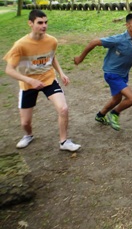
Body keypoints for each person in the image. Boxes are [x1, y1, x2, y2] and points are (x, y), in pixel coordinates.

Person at [3, 10, 81, 151]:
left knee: (63, 109)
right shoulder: (20, 45)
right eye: (40, 23)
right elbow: (9, 70)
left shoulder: (52, 41)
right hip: (28, 84)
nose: (44, 25)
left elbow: (52, 57)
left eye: (46, 22)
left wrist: (61, 73)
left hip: (48, 79)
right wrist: (29, 80)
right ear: (30, 23)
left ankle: (64, 142)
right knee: (25, 122)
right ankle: (28, 135)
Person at [73, 13, 132, 131]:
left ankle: (100, 115)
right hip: (111, 73)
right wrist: (80, 58)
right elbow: (94, 42)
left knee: (117, 99)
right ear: (127, 25)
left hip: (123, 74)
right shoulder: (118, 39)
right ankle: (115, 113)